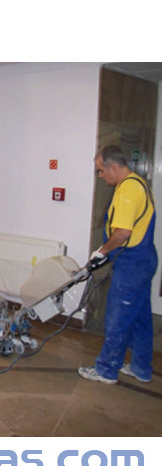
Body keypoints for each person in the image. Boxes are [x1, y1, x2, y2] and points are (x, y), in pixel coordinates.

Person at [79, 145, 158, 384]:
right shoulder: (139, 183)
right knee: (140, 317)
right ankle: (141, 367)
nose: (101, 176)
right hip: (144, 259)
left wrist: (102, 252)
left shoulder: (127, 190)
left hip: (132, 263)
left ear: (114, 166)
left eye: (101, 170)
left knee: (118, 318)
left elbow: (122, 232)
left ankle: (106, 369)